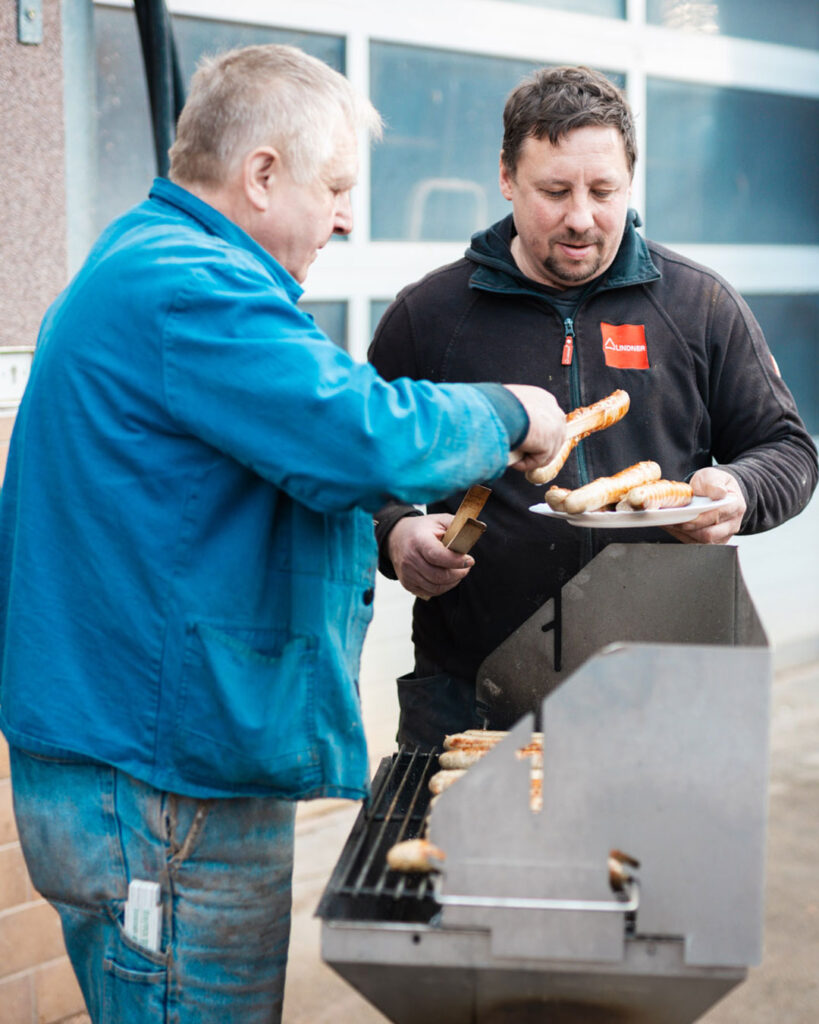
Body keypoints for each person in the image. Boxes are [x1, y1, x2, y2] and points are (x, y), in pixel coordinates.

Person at [0, 45, 568, 1024]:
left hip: (158, 768)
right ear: (262, 174)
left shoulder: (147, 263)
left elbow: (253, 472)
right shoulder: (189, 287)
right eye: (338, 186)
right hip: (158, 790)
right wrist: (515, 411)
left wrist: (390, 541)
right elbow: (357, 430)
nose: (348, 216)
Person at [369, 65, 818, 750]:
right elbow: (351, 471)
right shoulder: (430, 317)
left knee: (655, 860)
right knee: (457, 858)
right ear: (505, 177)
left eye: (602, 190)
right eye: (554, 191)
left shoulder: (698, 307)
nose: (580, 217)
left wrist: (738, 490)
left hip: (660, 684)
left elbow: (788, 450)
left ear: (630, 178)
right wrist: (396, 531)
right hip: (470, 692)